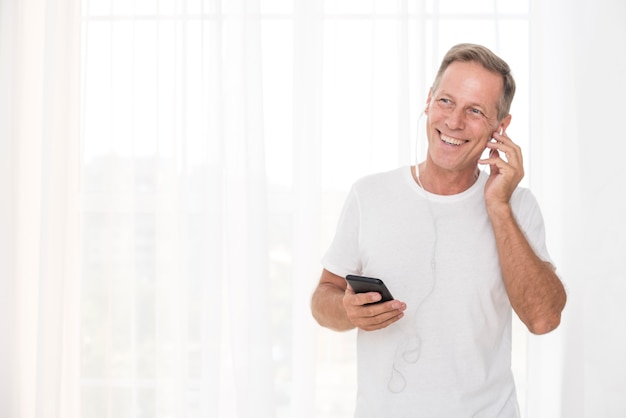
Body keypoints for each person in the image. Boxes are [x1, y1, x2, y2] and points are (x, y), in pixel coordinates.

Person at [310, 43, 567, 417]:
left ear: (501, 126)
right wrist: (348, 311)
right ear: (428, 101)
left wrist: (497, 206)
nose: (454, 122)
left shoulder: (517, 205)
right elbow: (323, 299)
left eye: (475, 110)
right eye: (446, 101)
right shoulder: (370, 195)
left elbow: (543, 318)